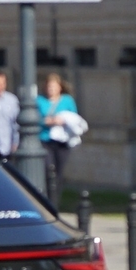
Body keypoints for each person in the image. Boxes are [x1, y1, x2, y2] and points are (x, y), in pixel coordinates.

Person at [37, 72, 88, 201]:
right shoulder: (39, 101)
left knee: (59, 172)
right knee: (49, 169)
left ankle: (55, 200)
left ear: (60, 87)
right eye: (49, 87)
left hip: (63, 141)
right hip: (45, 139)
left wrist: (62, 121)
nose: (51, 90)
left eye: (54, 87)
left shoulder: (67, 100)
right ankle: (47, 196)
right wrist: (47, 122)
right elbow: (34, 119)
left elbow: (74, 118)